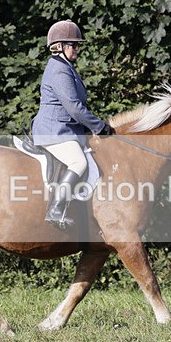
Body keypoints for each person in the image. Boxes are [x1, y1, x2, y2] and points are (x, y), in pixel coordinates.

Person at [31, 19, 115, 229]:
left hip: (66, 129)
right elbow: (74, 107)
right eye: (73, 45)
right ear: (59, 46)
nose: (77, 48)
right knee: (79, 163)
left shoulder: (66, 67)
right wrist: (99, 127)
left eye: (77, 45)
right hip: (54, 130)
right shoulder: (59, 69)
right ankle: (55, 210)